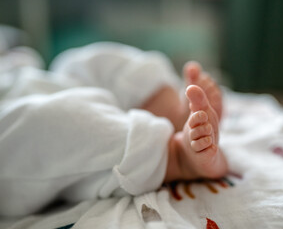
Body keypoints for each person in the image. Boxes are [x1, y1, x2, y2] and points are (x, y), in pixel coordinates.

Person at [0, 42, 228, 217]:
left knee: (77, 62)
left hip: (21, 79)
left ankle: (171, 110)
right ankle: (175, 155)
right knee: (44, 125)